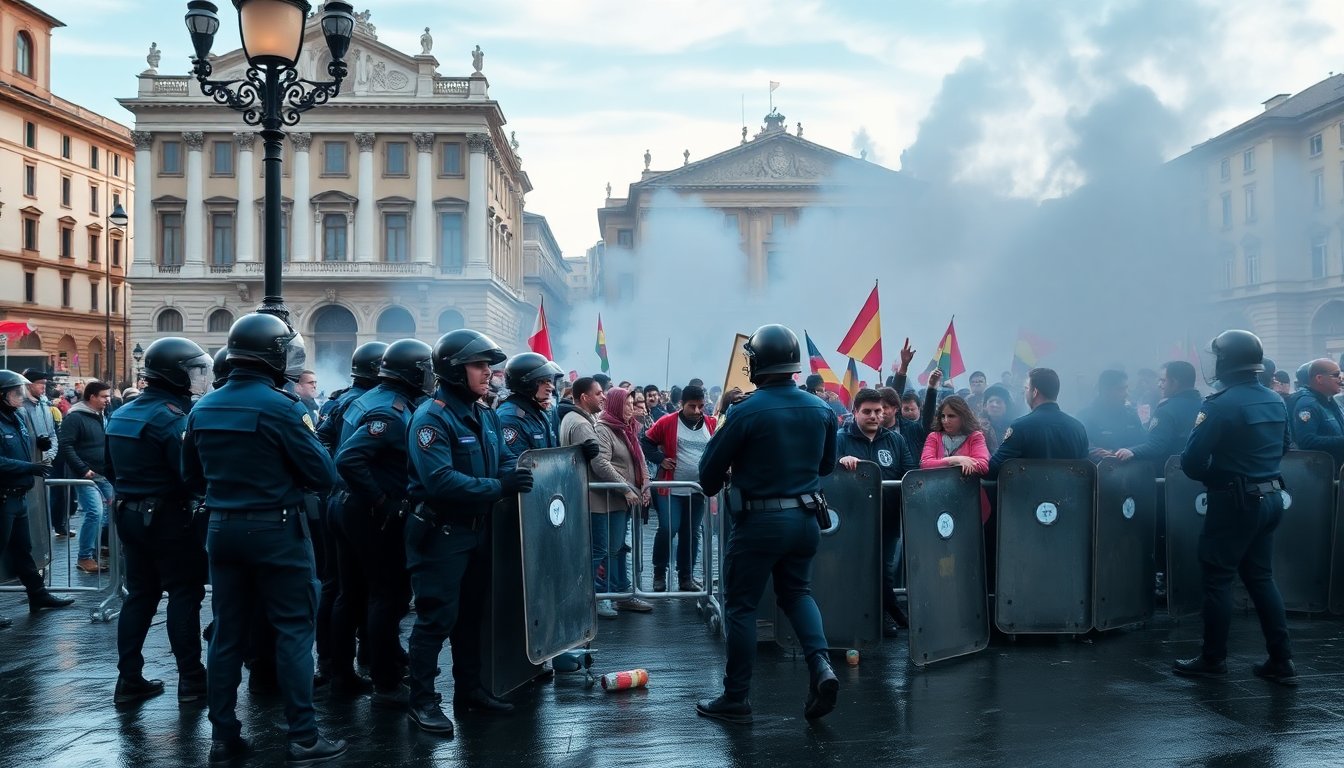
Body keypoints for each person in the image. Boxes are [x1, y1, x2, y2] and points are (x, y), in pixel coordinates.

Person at [182, 312, 346, 765]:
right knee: (293, 629)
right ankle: (304, 736)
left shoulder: (203, 407)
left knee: (227, 634)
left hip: (222, 529)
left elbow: (189, 476)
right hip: (277, 530)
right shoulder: (284, 407)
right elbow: (323, 474)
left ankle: (223, 738)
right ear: (272, 355)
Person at [696, 324, 839, 725]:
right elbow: (826, 466)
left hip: (759, 522)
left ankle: (736, 697)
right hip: (806, 520)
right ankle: (822, 667)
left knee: (741, 606)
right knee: (798, 594)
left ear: (757, 364)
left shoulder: (744, 411)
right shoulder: (822, 409)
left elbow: (708, 477)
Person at [403, 329, 534, 736]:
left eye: (488, 365)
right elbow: (440, 480)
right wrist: (500, 487)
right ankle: (422, 701)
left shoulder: (485, 413)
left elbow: (502, 459)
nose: (487, 372)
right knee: (436, 619)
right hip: (442, 533)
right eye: (478, 365)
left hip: (478, 531)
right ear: (453, 370)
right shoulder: (432, 418)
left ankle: (470, 690)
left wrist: (524, 471)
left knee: (472, 616)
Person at [1173, 330, 1295, 686]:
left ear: (1226, 361)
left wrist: (1220, 477)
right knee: (1261, 578)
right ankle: (1281, 660)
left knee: (1218, 578)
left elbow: (1192, 461)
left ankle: (1212, 659)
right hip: (1271, 496)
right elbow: (1284, 446)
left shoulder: (1219, 404)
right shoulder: (1274, 399)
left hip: (1234, 501)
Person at [104, 337, 213, 706]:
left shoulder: (123, 412)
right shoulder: (172, 417)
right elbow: (189, 474)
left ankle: (128, 679)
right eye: (193, 371)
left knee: (140, 595)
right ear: (174, 374)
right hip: (168, 516)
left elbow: (109, 467)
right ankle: (192, 679)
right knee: (184, 593)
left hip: (129, 513)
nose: (198, 378)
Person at [333, 338, 434, 708]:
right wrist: (381, 501)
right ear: (413, 374)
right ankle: (386, 682)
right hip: (369, 512)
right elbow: (348, 459)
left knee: (351, 594)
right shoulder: (390, 411)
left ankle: (342, 674)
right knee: (386, 595)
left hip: (347, 505)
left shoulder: (369, 398)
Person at [312, 341, 386, 694]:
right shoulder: (370, 403)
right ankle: (349, 661)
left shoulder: (340, 401)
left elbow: (322, 441)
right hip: (359, 503)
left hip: (336, 499)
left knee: (338, 586)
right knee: (360, 588)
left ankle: (333, 661)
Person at [835, 387, 916, 636]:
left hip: (887, 517)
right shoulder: (840, 439)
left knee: (884, 567)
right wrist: (840, 463)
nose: (873, 416)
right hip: (853, 518)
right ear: (855, 412)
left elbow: (909, 471)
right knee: (860, 567)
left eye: (878, 411)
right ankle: (880, 614)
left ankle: (884, 612)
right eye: (867, 411)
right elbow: (825, 470)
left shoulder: (895, 440)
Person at [0, 370, 75, 626]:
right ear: (2, 395)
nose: (20, 396)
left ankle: (38, 594)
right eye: (15, 392)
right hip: (3, 497)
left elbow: (20, 446)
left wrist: (39, 442)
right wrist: (28, 467)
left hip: (18, 496)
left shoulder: (15, 418)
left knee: (23, 550)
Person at [641, 384, 717, 594]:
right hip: (670, 489)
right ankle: (659, 573)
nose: (697, 411)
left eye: (701, 406)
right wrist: (661, 459)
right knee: (668, 528)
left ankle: (686, 576)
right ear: (682, 404)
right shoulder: (667, 422)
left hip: (697, 490)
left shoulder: (710, 423)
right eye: (692, 406)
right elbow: (645, 442)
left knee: (691, 533)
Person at [590, 387, 652, 617]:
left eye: (632, 404)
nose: (631, 408)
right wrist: (625, 488)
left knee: (617, 548)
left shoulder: (627, 428)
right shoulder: (603, 429)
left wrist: (646, 484)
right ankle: (601, 597)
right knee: (606, 550)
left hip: (623, 500)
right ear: (616, 405)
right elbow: (601, 463)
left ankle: (621, 594)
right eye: (627, 404)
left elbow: (640, 459)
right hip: (609, 499)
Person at [986, 368, 1089, 479]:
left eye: (1026, 388)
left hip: (1028, 490)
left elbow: (994, 468)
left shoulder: (1020, 427)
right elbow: (1084, 471)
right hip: (1068, 490)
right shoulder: (1078, 428)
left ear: (1034, 392)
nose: (1024, 393)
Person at [60, 380, 114, 574]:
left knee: (112, 510)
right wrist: (83, 469)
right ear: (92, 397)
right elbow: (66, 445)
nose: (108, 400)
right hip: (85, 476)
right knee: (94, 512)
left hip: (103, 473)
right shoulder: (75, 417)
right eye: (104, 396)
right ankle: (85, 557)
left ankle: (102, 547)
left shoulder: (101, 415)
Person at [920, 395, 991, 525]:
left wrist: (967, 463)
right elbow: (925, 464)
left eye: (951, 416)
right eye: (943, 416)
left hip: (969, 501)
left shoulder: (975, 436)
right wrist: (955, 460)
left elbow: (982, 464)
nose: (946, 420)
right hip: (939, 499)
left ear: (962, 416)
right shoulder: (934, 437)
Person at [1116, 361, 1202, 465]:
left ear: (1174, 382)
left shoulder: (1166, 410)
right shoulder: (1207, 406)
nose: (1159, 385)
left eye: (1163, 381)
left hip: (1170, 471)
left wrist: (1132, 451)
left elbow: (1157, 445)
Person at [496, 351, 564, 462]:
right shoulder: (510, 418)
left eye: (549, 381)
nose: (550, 387)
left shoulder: (537, 412)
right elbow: (517, 465)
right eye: (542, 382)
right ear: (526, 384)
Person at [18, 369, 57, 539]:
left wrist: (49, 455)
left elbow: (52, 434)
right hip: (27, 465)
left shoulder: (44, 405)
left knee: (42, 510)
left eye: (45, 384)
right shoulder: (20, 407)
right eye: (40, 383)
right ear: (28, 384)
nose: (43, 387)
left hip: (43, 465)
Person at [1289, 358, 1344, 470]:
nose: (1340, 379)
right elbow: (1306, 441)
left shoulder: (1328, 400)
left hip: (1335, 469)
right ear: (1319, 378)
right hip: (1321, 473)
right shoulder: (1308, 404)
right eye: (1336, 375)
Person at [1077, 369, 1144, 459]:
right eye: (1121, 389)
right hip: (1099, 466)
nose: (1126, 394)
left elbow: (1145, 442)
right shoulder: (1085, 416)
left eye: (1126, 388)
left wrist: (1131, 451)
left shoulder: (1131, 414)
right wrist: (1093, 451)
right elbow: (1080, 446)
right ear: (1105, 391)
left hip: (1131, 466)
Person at [979, 383, 1015, 454]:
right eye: (991, 401)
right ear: (984, 406)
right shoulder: (978, 428)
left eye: (998, 402)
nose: (994, 405)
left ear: (1006, 407)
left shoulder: (1015, 427)